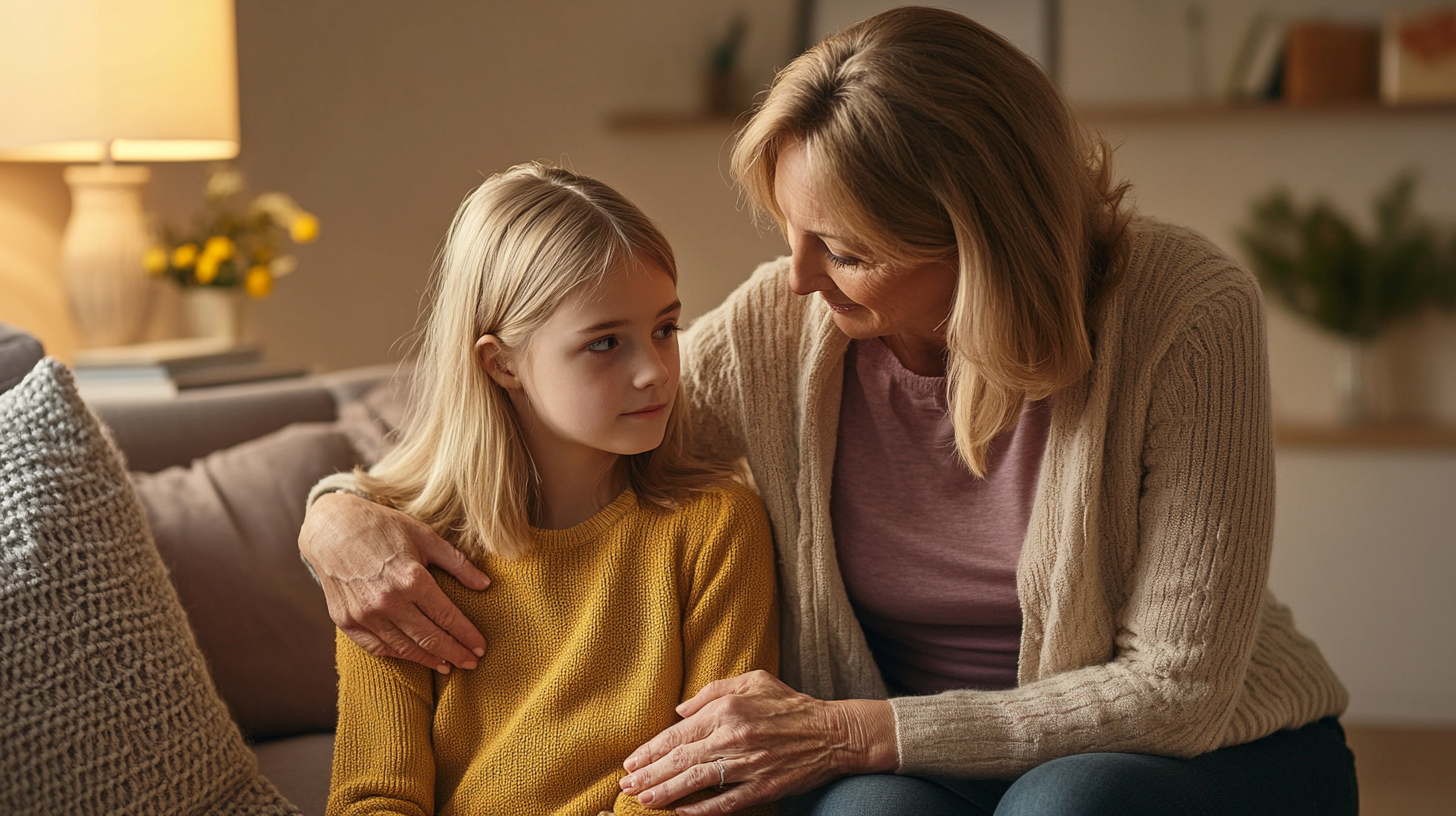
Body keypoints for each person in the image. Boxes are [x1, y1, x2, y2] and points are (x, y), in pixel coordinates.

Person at [300, 8, 1357, 816]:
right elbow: (534, 409)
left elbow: (1176, 690)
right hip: (903, 754)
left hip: (1192, 752)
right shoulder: (788, 327)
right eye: (789, 232)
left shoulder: (1184, 311)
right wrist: (336, 509)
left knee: (1062, 806)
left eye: (846, 251)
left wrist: (858, 732)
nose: (796, 279)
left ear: (979, 245)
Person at [318, 162, 778, 816]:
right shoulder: (393, 561)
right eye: (605, 343)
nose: (653, 371)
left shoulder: (715, 524)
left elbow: (706, 778)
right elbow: (373, 796)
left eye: (665, 329)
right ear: (501, 363)